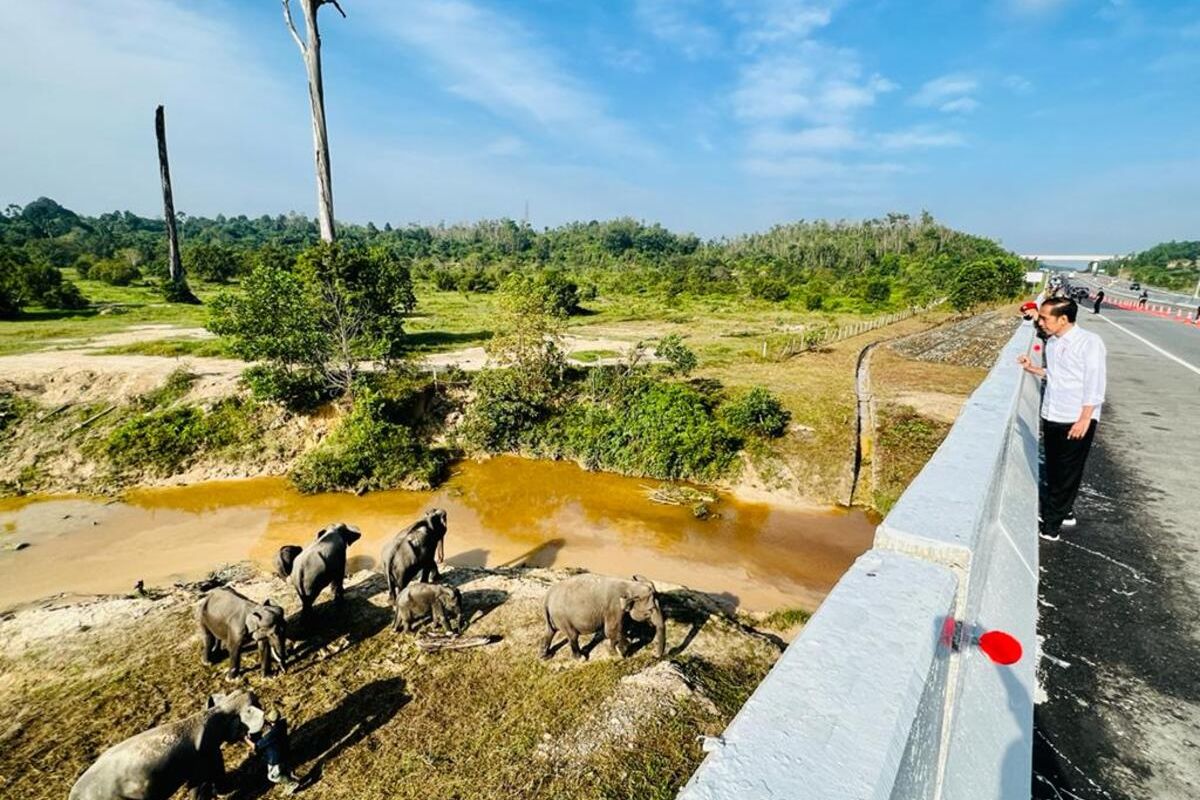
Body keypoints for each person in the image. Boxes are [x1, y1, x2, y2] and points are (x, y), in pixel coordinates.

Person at [1017, 297, 1106, 540]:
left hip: (1075, 417)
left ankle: (1051, 527)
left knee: (1068, 471)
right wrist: (1032, 368)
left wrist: (1085, 419)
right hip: (1052, 413)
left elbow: (1095, 384)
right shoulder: (1054, 343)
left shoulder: (1089, 343)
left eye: (1045, 318)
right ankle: (1063, 512)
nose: (1041, 322)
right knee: (1055, 468)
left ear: (1063, 319)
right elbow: (1057, 375)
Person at [246, 708, 301, 794]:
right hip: (283, 752)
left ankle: (291, 783)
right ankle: (289, 782)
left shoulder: (271, 735)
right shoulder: (282, 724)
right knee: (282, 771)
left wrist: (245, 739)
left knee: (272, 776)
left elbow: (256, 746)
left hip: (275, 759)